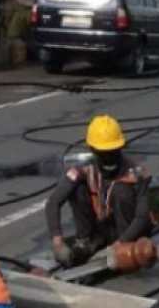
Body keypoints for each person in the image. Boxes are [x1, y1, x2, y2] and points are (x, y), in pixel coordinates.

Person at [46, 115, 153, 268]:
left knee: (121, 191)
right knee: (78, 189)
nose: (108, 157)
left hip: (128, 232)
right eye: (104, 153)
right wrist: (57, 241)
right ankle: (86, 241)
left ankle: (122, 244)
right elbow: (53, 202)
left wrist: (119, 244)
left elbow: (142, 217)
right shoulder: (83, 169)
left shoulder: (136, 173)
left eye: (112, 152)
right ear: (93, 151)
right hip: (102, 229)